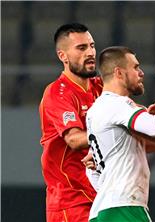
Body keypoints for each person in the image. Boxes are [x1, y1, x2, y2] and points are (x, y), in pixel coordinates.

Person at [85, 46, 155, 222]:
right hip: (123, 208)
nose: (141, 73)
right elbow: (154, 127)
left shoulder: (96, 110)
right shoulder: (117, 105)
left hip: (103, 210)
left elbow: (91, 170)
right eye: (135, 67)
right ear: (119, 73)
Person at [39, 23, 102, 222]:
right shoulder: (57, 93)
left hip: (101, 195)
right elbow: (74, 140)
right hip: (71, 201)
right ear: (62, 56)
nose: (90, 52)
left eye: (92, 46)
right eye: (81, 48)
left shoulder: (101, 86)